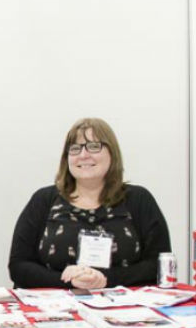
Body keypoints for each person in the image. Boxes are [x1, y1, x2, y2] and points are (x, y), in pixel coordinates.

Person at [9, 117, 170, 289]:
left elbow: (159, 264)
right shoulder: (43, 200)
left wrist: (104, 279)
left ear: (112, 153)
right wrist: (68, 280)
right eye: (75, 149)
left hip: (123, 310)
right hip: (55, 308)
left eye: (94, 147)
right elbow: (19, 266)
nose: (83, 155)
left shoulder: (139, 200)